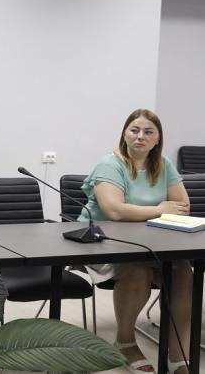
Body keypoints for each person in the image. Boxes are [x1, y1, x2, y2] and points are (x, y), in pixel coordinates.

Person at [79, 109, 191, 374]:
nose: (140, 136)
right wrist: (160, 209)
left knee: (183, 272)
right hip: (103, 242)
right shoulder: (110, 164)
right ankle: (125, 342)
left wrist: (148, 212)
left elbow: (183, 206)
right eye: (134, 130)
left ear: (157, 139)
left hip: (152, 242)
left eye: (148, 132)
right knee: (137, 271)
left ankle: (178, 355)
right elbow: (114, 211)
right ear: (125, 134)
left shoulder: (163, 164)